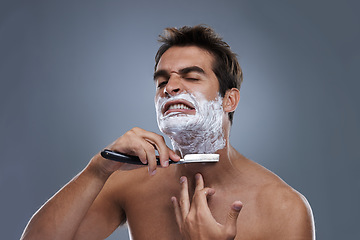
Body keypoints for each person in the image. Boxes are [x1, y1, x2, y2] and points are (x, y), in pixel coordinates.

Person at [21, 25, 315, 240]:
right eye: (162, 81)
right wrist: (98, 169)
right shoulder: (131, 183)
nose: (170, 87)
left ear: (229, 100)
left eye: (190, 76)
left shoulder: (283, 208)